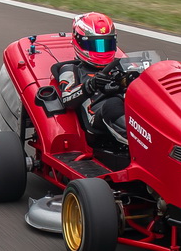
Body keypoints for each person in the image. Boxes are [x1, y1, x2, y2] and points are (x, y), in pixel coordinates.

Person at [53, 11, 130, 150]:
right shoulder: (71, 69)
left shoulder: (121, 65)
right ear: (79, 41)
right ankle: (146, 148)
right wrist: (90, 85)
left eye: (107, 44)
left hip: (128, 110)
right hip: (97, 116)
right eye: (97, 45)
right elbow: (67, 99)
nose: (102, 51)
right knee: (113, 105)